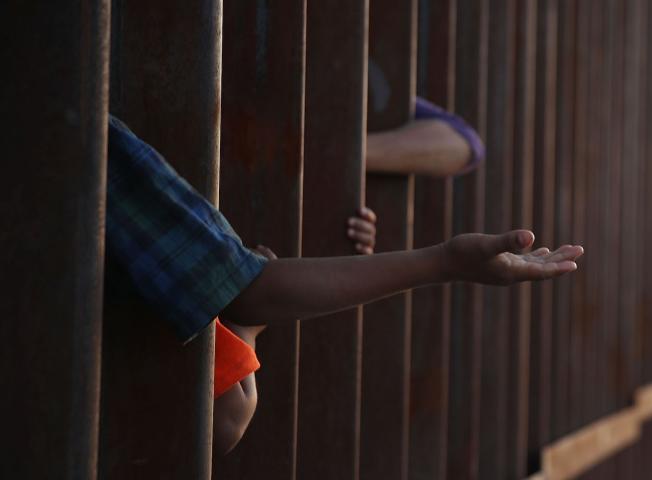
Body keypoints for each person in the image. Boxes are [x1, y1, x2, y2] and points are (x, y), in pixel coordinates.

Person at [104, 116, 583, 453]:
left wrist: (343, 153)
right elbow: (229, 411)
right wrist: (445, 262)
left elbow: (465, 142)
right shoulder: (105, 151)